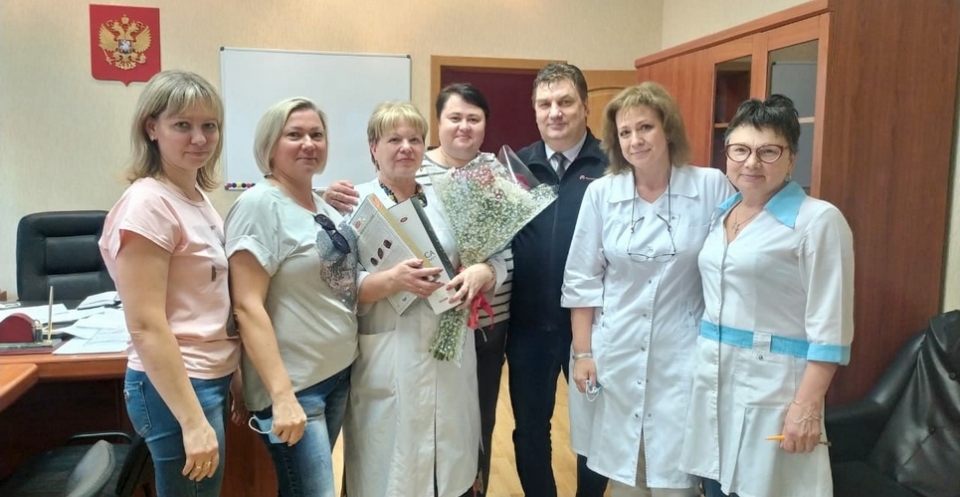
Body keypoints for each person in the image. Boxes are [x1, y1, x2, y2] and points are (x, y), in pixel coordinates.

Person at [325, 83, 511, 496]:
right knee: (389, 467)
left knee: (450, 465)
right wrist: (390, 281)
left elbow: (495, 256)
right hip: (389, 353)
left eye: (414, 139)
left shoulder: (450, 201)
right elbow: (336, 286)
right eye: (394, 140)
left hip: (449, 352)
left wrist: (484, 271)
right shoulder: (353, 205)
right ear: (373, 148)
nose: (406, 148)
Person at [562, 83, 734, 497]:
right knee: (625, 474)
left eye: (645, 127)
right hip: (614, 349)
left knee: (677, 476)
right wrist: (583, 354)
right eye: (625, 132)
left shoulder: (710, 186)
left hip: (684, 352)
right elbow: (582, 279)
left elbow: (731, 266)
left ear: (667, 129)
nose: (635, 140)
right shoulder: (602, 193)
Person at [679, 95, 855, 497]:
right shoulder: (721, 214)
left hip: (775, 394)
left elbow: (831, 330)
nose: (751, 163)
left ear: (792, 158)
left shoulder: (818, 221)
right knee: (715, 486)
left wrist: (806, 407)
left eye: (768, 151)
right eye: (740, 150)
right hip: (712, 385)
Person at [98, 69, 240, 497]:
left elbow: (208, 299)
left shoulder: (195, 198)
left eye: (209, 125)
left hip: (206, 376)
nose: (199, 138)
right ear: (152, 128)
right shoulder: (148, 204)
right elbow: (145, 325)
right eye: (183, 125)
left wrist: (233, 370)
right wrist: (192, 421)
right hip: (178, 384)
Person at [225, 97, 358, 497]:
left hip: (336, 373)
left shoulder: (319, 202)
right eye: (295, 135)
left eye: (317, 134)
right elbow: (246, 305)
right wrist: (281, 397)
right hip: (296, 389)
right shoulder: (258, 205)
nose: (309, 144)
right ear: (270, 146)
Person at [508, 62, 609, 497]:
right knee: (530, 428)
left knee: (595, 430)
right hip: (528, 326)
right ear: (534, 110)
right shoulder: (517, 167)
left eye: (565, 102)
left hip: (592, 328)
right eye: (545, 104)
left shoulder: (612, 164)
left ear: (585, 106)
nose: (555, 112)